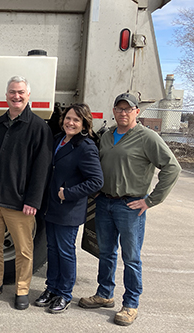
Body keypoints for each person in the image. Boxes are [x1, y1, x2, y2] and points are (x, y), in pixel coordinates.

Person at [79, 93, 181, 326]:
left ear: (137, 111)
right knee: (105, 252)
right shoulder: (106, 136)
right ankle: (104, 294)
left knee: (131, 257)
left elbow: (171, 168)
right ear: (113, 111)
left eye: (128, 109)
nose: (123, 112)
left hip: (130, 206)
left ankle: (131, 303)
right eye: (119, 108)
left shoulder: (147, 137)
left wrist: (150, 200)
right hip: (104, 202)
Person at [0, 76, 53, 310]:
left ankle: (22, 290)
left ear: (28, 95)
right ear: (6, 95)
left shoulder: (39, 128)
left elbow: (42, 169)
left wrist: (33, 199)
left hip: (20, 203)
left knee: (23, 249)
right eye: (12, 92)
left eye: (21, 92)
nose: (16, 96)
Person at [34, 104, 103, 313]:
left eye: (76, 120)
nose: (70, 123)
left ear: (84, 124)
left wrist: (69, 192)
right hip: (52, 207)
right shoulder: (58, 140)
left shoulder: (85, 146)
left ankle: (64, 294)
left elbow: (96, 181)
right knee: (52, 250)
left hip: (68, 209)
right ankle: (51, 288)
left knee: (65, 252)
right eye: (68, 118)